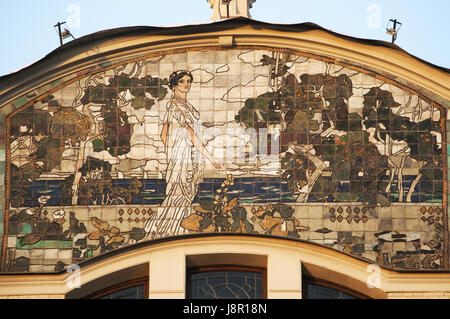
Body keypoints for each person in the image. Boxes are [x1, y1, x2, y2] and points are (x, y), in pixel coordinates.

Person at [144, 70, 221, 238]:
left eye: (188, 81)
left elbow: (164, 134)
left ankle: (175, 229)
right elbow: (190, 133)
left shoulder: (183, 106)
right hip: (183, 157)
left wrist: (173, 150)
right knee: (180, 194)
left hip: (185, 155)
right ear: (173, 85)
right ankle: (170, 230)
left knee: (184, 194)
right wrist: (208, 156)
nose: (186, 84)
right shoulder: (176, 107)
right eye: (182, 81)